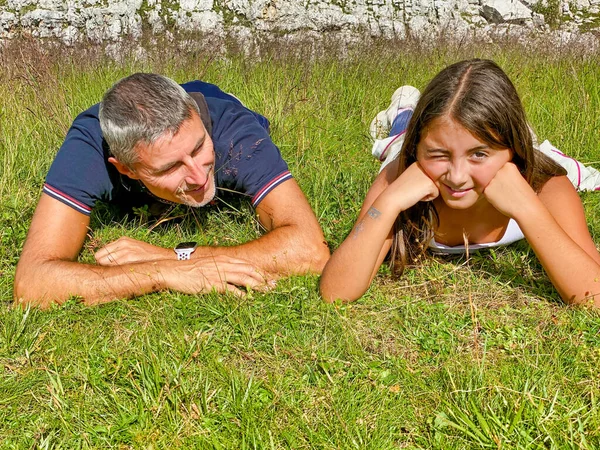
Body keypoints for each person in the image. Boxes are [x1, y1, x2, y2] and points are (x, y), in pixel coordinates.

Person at [14, 73, 329, 308]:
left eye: (199, 147)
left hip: (219, 102)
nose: (197, 176)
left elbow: (309, 250)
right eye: (169, 167)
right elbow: (33, 280)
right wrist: (160, 273)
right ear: (125, 168)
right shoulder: (88, 147)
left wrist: (177, 256)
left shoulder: (234, 131)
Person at [320, 58, 600, 306]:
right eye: (438, 153)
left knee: (560, 163)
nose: (456, 176)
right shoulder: (400, 173)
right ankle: (404, 109)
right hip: (401, 146)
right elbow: (336, 291)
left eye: (479, 154)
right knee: (390, 143)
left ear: (512, 150)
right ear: (417, 150)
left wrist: (528, 210)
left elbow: (594, 295)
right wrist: (390, 201)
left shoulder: (544, 185)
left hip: (529, 155)